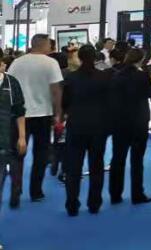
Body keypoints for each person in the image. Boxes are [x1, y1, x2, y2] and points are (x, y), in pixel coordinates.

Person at [7, 33, 63, 206]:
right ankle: (36, 191)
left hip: (19, 115)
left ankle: (16, 190)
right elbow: (56, 90)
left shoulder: (17, 62)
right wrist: (58, 113)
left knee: (17, 154)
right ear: (44, 45)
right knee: (41, 154)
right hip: (43, 115)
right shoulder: (51, 63)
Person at [61, 44, 111, 215]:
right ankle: (94, 203)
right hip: (99, 126)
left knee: (73, 167)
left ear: (80, 57)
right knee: (96, 165)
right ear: (95, 57)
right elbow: (109, 102)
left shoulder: (71, 78)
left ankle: (72, 204)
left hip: (76, 125)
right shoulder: (104, 77)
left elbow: (65, 103)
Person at [109, 47, 151, 206]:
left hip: (120, 122)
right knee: (137, 160)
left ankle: (115, 194)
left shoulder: (116, 75)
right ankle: (137, 194)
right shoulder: (142, 75)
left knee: (118, 158)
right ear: (141, 60)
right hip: (139, 122)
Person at [0, 50, 27, 211]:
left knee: (15, 168)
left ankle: (16, 192)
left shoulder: (11, 83)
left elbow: (19, 111)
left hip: (10, 133)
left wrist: (22, 137)